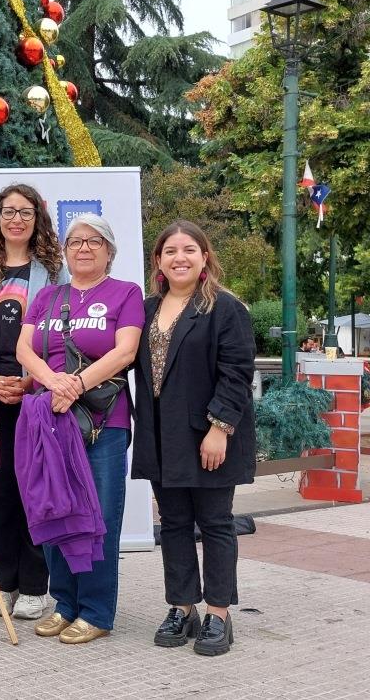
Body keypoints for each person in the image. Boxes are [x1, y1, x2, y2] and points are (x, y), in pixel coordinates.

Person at [16, 212, 143, 644]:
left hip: (102, 423)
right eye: (75, 241)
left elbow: (125, 351)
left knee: (98, 518)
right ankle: (65, 603)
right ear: (65, 251)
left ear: (109, 251)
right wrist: (53, 382)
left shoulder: (126, 293)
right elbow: (24, 348)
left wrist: (76, 386)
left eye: (94, 241)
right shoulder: (47, 297)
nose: (83, 247)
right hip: (50, 423)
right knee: (55, 510)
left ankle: (96, 610)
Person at [132, 220, 256, 657]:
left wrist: (219, 429)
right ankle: (182, 608)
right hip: (161, 437)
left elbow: (237, 374)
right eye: (169, 251)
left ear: (205, 257)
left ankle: (218, 614)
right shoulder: (146, 309)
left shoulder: (225, 308)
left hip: (208, 436)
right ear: (158, 261)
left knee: (216, 523)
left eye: (189, 250)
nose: (179, 257)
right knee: (175, 525)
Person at [0, 183, 66, 621]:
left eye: (25, 212)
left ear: (37, 218)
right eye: (8, 212)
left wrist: (30, 382)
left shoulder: (55, 274)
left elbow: (64, 339)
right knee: (1, 489)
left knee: (36, 489)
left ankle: (35, 586)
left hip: (38, 396)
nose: (17, 220)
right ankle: (2, 583)